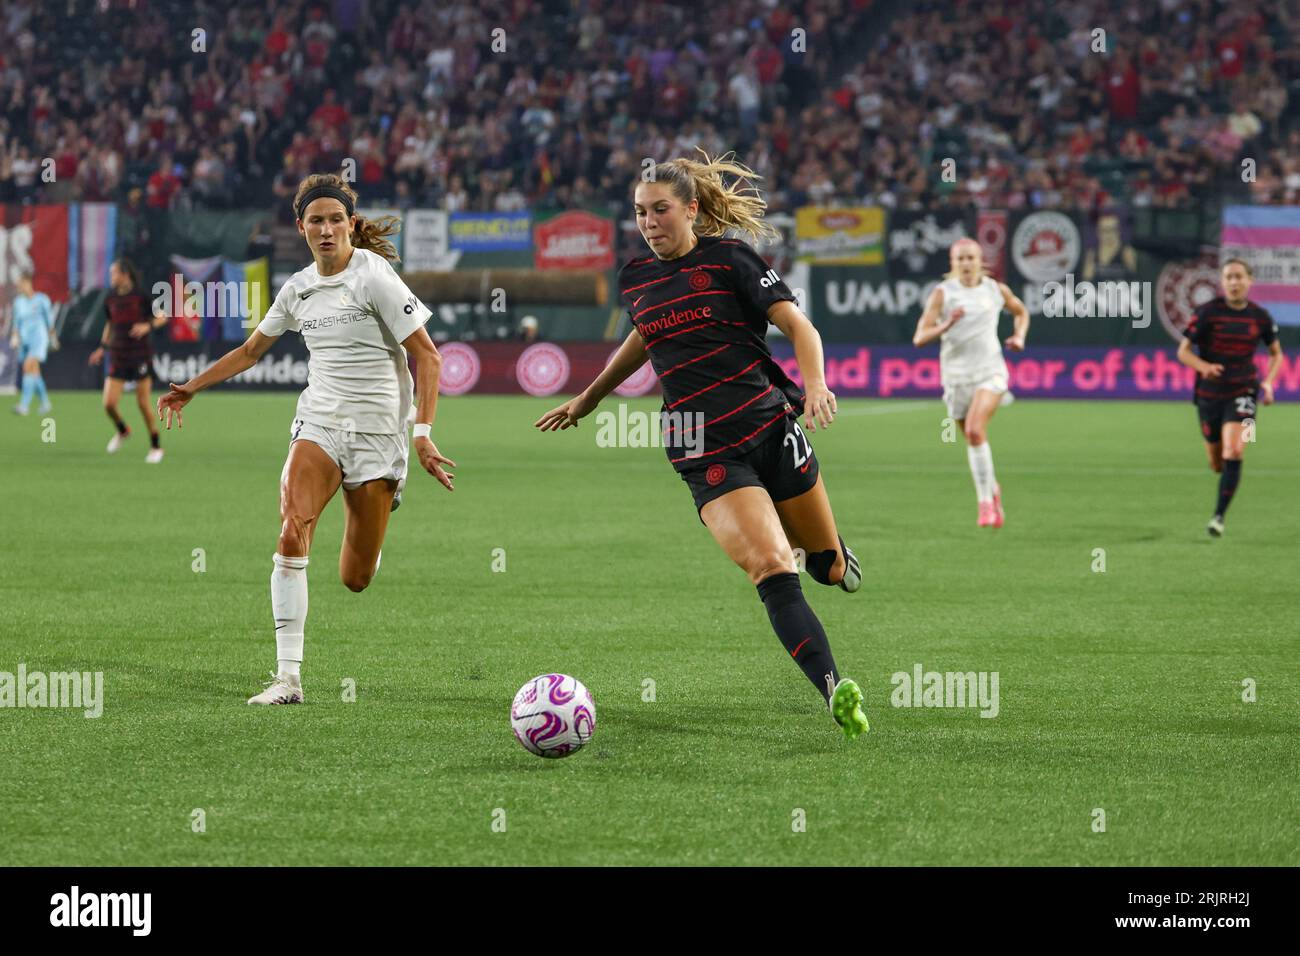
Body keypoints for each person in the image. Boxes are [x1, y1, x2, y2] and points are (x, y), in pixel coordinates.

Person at [535, 152, 868, 739]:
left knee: (825, 566)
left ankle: (834, 555)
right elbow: (646, 335)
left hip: (770, 424)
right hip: (701, 446)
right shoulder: (635, 278)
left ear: (691, 209)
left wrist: (814, 383)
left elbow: (799, 327)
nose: (649, 222)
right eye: (640, 213)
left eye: (660, 210)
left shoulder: (731, 259)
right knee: (769, 566)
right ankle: (834, 688)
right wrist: (588, 399)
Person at [156, 173, 456, 704]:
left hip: (380, 433)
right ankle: (287, 678)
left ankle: (379, 516)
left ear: (350, 225)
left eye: (335, 219)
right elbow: (251, 352)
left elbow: (428, 356)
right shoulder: (296, 289)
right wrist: (193, 388)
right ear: (301, 227)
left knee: (355, 578)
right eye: (315, 220)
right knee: (292, 531)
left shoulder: (376, 278)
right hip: (318, 421)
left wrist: (423, 434)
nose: (326, 229)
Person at [913, 238, 1029, 527]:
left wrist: (1019, 337)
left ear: (981, 260)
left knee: (976, 431)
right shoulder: (943, 294)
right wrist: (947, 325)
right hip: (956, 378)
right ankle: (993, 488)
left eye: (970, 258)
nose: (966, 263)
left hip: (990, 371)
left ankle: (985, 503)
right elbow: (919, 338)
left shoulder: (994, 289)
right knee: (974, 439)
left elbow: (1021, 312)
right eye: (960, 259)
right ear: (953, 263)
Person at [1176, 259, 1284, 536]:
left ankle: (1218, 518)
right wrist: (1205, 368)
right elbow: (1183, 352)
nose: (1234, 282)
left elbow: (1276, 354)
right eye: (1229, 277)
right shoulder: (1208, 313)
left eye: (1239, 277)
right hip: (1209, 395)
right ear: (1222, 282)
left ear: (1250, 281)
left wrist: (1269, 384)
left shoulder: (1261, 317)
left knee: (1235, 449)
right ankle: (1224, 476)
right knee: (1216, 463)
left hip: (1245, 391)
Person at [88, 258, 168, 462]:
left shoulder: (140, 296)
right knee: (108, 404)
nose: (111, 277)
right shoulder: (110, 298)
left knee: (142, 403)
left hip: (140, 356)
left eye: (114, 273)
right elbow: (110, 325)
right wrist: (102, 348)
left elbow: (162, 317)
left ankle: (156, 446)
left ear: (125, 274)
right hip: (118, 355)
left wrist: (147, 326)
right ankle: (123, 431)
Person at [10, 271, 55, 415]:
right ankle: (45, 403)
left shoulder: (42, 299)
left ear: (28, 283)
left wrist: (53, 339)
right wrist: (15, 337)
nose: (19, 287)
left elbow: (49, 321)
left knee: (28, 366)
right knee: (34, 372)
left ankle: (24, 406)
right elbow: (16, 323)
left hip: (39, 339)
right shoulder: (18, 302)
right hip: (25, 341)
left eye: (21, 284)